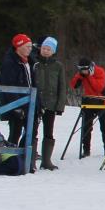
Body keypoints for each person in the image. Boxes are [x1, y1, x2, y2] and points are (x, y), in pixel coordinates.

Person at [32, 37, 66, 172]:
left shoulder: (58, 66)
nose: (46, 51)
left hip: (51, 104)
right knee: (32, 130)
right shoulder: (35, 63)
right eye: (44, 48)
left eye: (49, 49)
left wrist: (60, 105)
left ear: (53, 51)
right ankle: (31, 158)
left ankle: (46, 161)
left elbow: (62, 86)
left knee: (49, 131)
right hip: (36, 103)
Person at [70, 57, 105, 158]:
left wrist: (89, 76)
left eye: (84, 69)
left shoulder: (100, 71)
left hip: (101, 100)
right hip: (88, 100)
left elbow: (99, 87)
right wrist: (79, 77)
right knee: (86, 126)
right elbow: (73, 85)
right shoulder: (81, 73)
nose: (83, 71)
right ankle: (86, 150)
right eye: (80, 69)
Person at [0, 34, 35, 150]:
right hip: (16, 104)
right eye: (27, 46)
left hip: (30, 103)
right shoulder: (10, 62)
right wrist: (16, 106)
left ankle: (25, 160)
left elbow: (34, 84)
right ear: (19, 47)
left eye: (30, 46)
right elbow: (8, 86)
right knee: (15, 133)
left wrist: (38, 103)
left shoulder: (30, 62)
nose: (30, 48)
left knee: (32, 132)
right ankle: (11, 161)